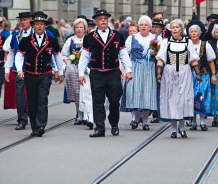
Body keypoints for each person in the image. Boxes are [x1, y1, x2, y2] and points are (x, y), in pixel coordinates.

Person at [78, 9, 132, 138]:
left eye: (105, 18)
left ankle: (114, 123)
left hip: (113, 73)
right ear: (96, 21)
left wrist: (128, 70)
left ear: (107, 20)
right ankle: (100, 128)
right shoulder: (89, 37)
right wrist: (81, 73)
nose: (102, 20)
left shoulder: (117, 35)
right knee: (98, 102)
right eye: (100, 18)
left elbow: (123, 54)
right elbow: (85, 56)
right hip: (96, 74)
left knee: (114, 101)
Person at [15, 11, 64, 137]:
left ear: (45, 26)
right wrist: (20, 69)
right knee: (32, 102)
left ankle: (41, 125)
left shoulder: (51, 39)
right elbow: (19, 55)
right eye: (37, 24)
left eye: (42, 24)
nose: (39, 26)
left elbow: (57, 56)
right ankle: (34, 126)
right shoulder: (26, 40)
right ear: (33, 25)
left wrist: (60, 71)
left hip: (45, 75)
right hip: (30, 74)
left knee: (42, 99)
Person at [156, 19, 200, 138]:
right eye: (173, 27)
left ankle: (182, 127)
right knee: (171, 99)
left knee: (183, 99)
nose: (174, 29)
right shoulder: (166, 42)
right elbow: (160, 59)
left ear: (181, 29)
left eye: (177, 27)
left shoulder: (188, 42)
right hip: (169, 73)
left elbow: (193, 60)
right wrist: (159, 73)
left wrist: (198, 74)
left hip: (184, 72)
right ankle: (173, 129)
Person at [124, 15, 160, 131]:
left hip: (149, 68)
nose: (144, 26)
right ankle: (135, 119)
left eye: (146, 25)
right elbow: (125, 53)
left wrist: (156, 53)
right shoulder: (132, 38)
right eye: (141, 24)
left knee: (147, 93)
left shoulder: (156, 38)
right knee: (134, 92)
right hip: (135, 66)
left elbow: (162, 55)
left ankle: (145, 121)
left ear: (150, 27)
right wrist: (125, 68)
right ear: (139, 26)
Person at [61, 17, 93, 129]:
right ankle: (79, 114)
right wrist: (69, 61)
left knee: (86, 92)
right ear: (74, 29)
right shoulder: (70, 40)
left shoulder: (89, 39)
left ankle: (85, 115)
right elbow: (63, 54)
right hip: (73, 69)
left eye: (81, 27)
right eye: (77, 27)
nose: (79, 29)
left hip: (86, 69)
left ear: (85, 29)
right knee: (76, 93)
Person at [3, 12, 33, 130]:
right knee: (20, 95)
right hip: (17, 70)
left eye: (25, 20)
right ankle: (22, 119)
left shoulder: (36, 34)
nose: (23, 22)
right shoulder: (15, 35)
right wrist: (7, 69)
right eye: (21, 20)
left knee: (33, 94)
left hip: (32, 70)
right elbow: (10, 53)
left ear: (30, 21)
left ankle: (34, 115)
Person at [187, 20, 217, 131]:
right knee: (192, 98)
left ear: (199, 33)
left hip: (203, 76)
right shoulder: (187, 44)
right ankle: (193, 121)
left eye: (195, 32)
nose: (193, 34)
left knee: (202, 98)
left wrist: (213, 75)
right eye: (191, 32)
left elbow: (211, 61)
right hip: (189, 76)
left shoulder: (206, 45)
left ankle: (203, 122)